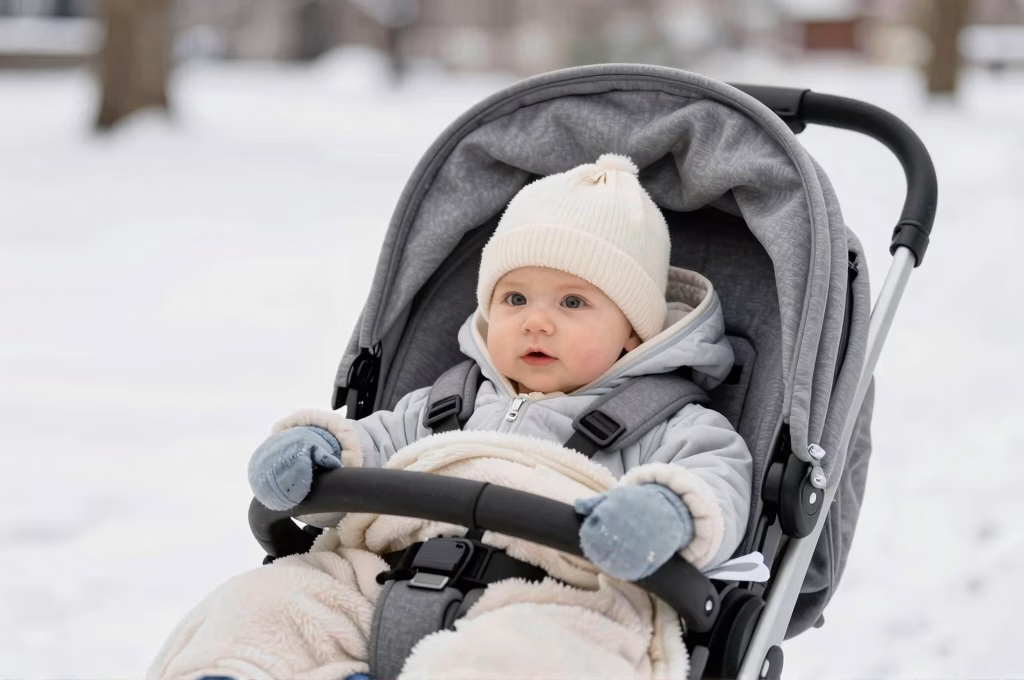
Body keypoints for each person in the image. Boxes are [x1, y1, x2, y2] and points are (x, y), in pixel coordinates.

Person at [149, 154, 752, 680]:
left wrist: (665, 512)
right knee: (267, 605)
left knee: (531, 658)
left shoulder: (671, 422)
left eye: (573, 302)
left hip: (563, 597)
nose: (536, 321)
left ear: (633, 332)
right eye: (515, 298)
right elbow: (366, 448)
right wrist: (316, 448)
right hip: (381, 577)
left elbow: (717, 482)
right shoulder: (446, 401)